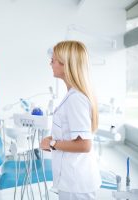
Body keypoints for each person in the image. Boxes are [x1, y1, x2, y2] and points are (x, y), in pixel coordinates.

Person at [40, 41, 101, 200]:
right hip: (74, 180)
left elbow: (84, 145)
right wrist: (53, 139)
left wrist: (52, 144)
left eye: (53, 60)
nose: (50, 63)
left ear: (66, 64)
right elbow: (74, 137)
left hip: (76, 183)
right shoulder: (73, 95)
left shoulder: (76, 99)